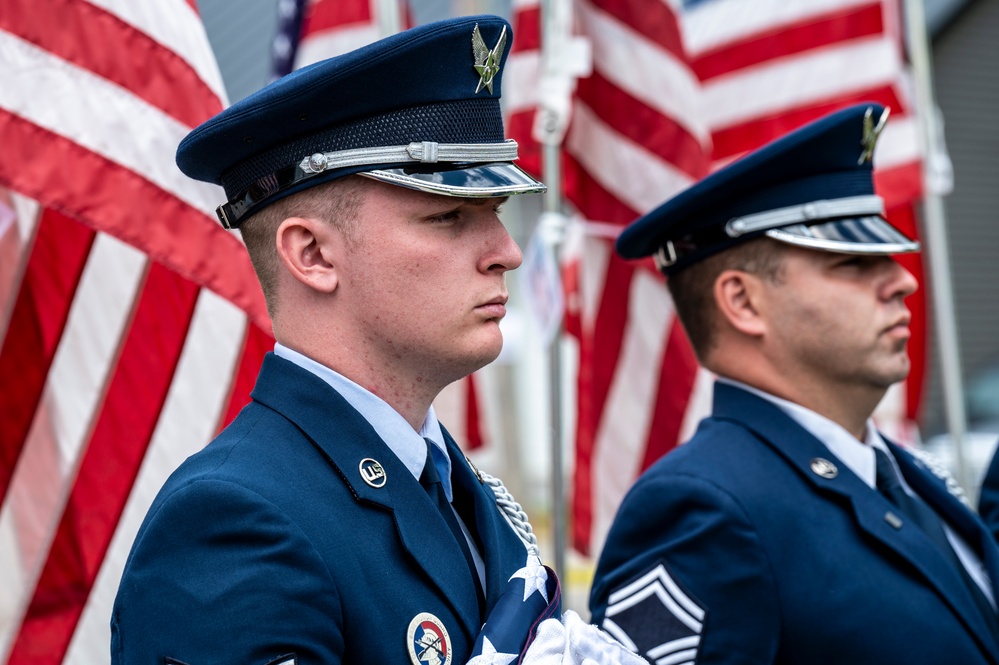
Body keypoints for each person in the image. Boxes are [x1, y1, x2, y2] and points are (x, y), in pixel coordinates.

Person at [111, 15, 549, 664]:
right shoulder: (234, 522)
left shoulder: (470, 494)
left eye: (495, 214)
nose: (506, 252)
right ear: (312, 252)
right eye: (449, 215)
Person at [588, 103, 999, 664]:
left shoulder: (908, 476)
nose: (901, 280)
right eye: (852, 261)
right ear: (742, 301)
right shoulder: (701, 509)